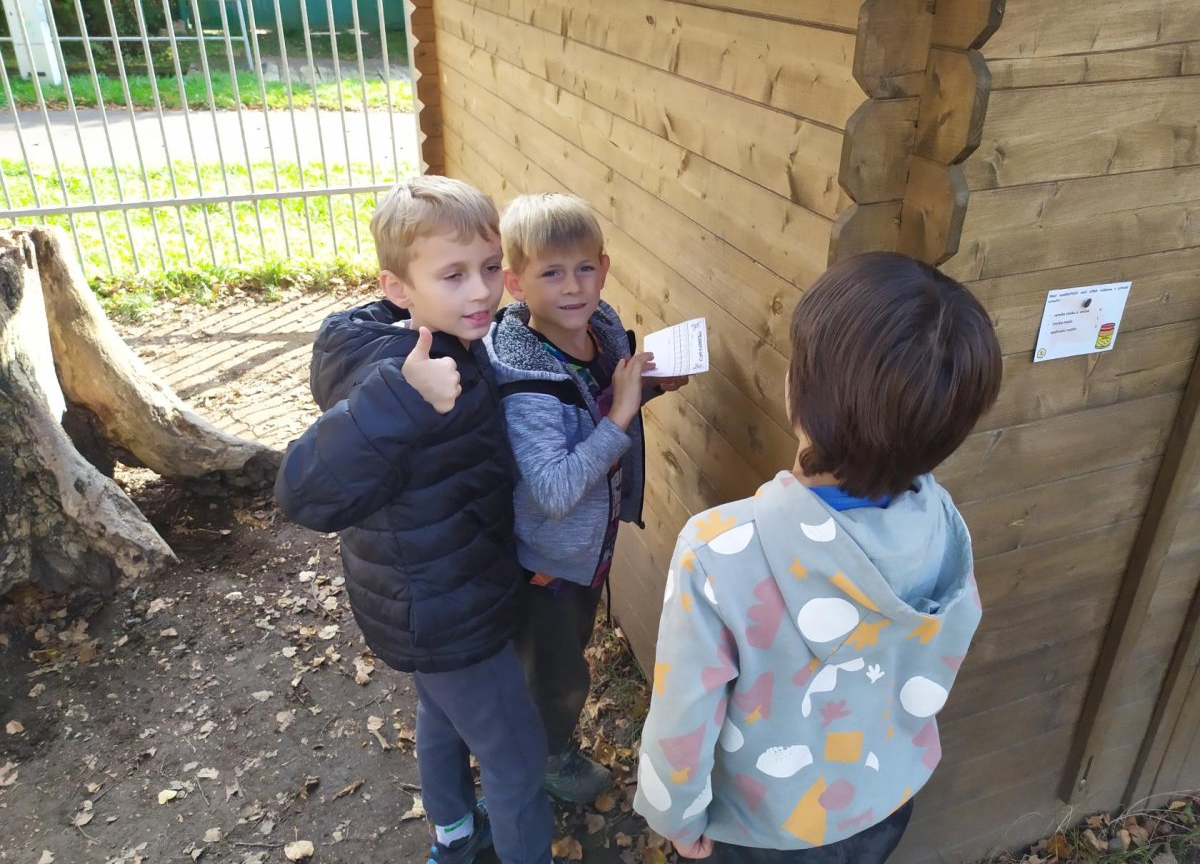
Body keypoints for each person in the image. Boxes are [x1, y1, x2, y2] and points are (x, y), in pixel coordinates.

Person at [633, 253, 1003, 862]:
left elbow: (683, 716)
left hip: (763, 828)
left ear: (797, 393)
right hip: (884, 801)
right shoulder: (944, 525)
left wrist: (677, 817)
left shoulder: (719, 550)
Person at [274, 175, 559, 864]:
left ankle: (455, 838)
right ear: (398, 288)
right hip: (447, 609)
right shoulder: (407, 374)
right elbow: (302, 492)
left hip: (430, 595)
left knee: (442, 718)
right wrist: (404, 396)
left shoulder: (437, 336)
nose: (482, 291)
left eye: (489, 267)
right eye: (453, 275)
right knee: (518, 761)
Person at [486, 193, 687, 804]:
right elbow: (553, 490)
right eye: (551, 273)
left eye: (582, 269)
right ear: (516, 284)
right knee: (558, 672)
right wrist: (623, 412)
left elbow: (598, 402)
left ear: (603, 267)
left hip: (588, 548)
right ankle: (545, 758)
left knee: (566, 653)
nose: (572, 287)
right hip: (549, 560)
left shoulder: (598, 331)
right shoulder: (528, 383)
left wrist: (645, 388)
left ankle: (541, 738)